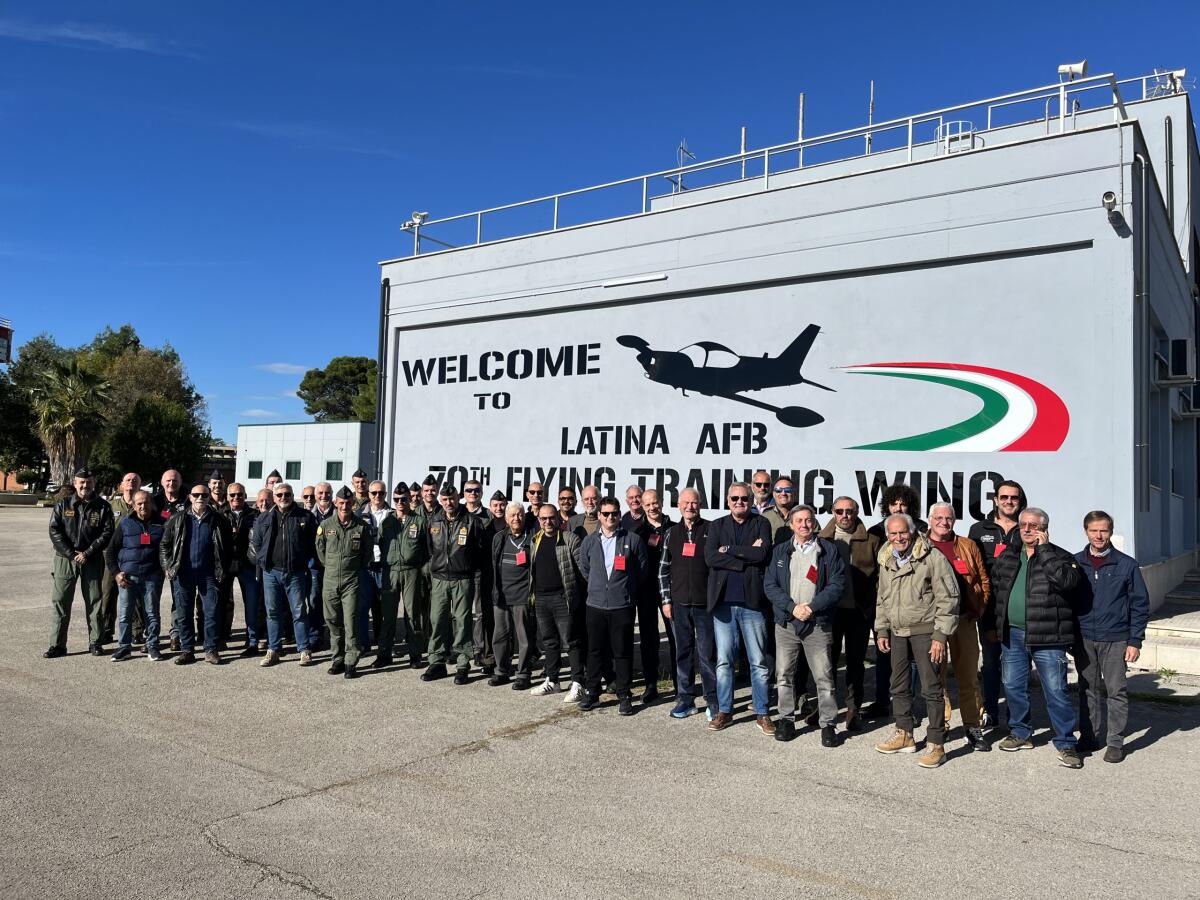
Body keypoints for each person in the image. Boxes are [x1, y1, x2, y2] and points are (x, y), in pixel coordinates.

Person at [982, 507, 1084, 768]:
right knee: (1014, 687)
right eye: (1023, 525)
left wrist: (1045, 551)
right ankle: (1020, 732)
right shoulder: (1009, 556)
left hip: (1048, 637)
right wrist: (995, 624)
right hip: (1012, 634)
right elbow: (997, 591)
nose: (1027, 529)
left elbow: (1069, 583)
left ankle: (1066, 743)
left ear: (1044, 529)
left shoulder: (1060, 556)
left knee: (1056, 691)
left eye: (1033, 526)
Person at [873, 514, 960, 768]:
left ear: (912, 532)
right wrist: (881, 630)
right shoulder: (886, 558)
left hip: (925, 632)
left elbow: (948, 599)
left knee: (931, 688)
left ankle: (936, 744)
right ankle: (905, 734)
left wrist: (940, 636)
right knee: (898, 685)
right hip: (897, 632)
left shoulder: (932, 557)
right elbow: (882, 597)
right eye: (893, 534)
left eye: (902, 533)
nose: (898, 538)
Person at [764, 505, 846, 745]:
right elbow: (770, 585)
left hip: (817, 623)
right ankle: (786, 719)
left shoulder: (828, 551)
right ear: (791, 525)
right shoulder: (780, 551)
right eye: (798, 521)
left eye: (808, 520)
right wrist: (792, 608)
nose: (804, 525)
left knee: (824, 676)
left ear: (814, 523)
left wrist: (812, 607)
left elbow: (837, 585)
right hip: (787, 623)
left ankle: (828, 724)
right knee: (783, 674)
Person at [1074, 511, 1148, 763]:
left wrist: (1134, 640)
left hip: (1116, 638)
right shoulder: (1075, 563)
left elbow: (1140, 604)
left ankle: (1115, 742)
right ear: (1086, 531)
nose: (1099, 535)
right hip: (1084, 637)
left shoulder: (1127, 565)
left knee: (1116, 691)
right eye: (1094, 530)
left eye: (1103, 530)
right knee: (1087, 689)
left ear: (1110, 531)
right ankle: (1089, 737)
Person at [705, 482, 773, 734]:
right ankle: (725, 711)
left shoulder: (761, 523)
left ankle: (762, 712)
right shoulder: (717, 525)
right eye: (734, 498)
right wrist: (744, 557)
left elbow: (763, 555)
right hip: (723, 604)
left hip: (752, 604)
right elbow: (710, 557)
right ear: (727, 500)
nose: (739, 502)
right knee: (724, 661)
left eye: (744, 498)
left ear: (751, 500)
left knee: (758, 662)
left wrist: (730, 551)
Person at [925, 502, 991, 752]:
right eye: (939, 517)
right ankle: (940, 723)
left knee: (969, 676)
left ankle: (973, 727)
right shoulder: (920, 546)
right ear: (930, 520)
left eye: (948, 517)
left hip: (963, 619)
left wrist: (978, 608)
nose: (944, 522)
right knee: (935, 676)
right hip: (933, 623)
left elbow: (983, 579)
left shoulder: (967, 545)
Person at [579, 497, 648, 715]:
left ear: (619, 515)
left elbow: (642, 570)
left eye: (614, 513)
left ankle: (624, 694)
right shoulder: (590, 541)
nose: (611, 517)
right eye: (606, 513)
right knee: (595, 651)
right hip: (596, 605)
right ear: (599, 515)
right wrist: (600, 587)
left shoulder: (633, 540)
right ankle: (592, 692)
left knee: (623, 651)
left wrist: (625, 589)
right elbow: (585, 568)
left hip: (622, 605)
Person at [818, 496, 880, 732]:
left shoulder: (871, 539)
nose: (845, 516)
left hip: (859, 612)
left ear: (856, 512)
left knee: (855, 664)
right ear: (833, 512)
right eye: (840, 511)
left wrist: (872, 606)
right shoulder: (823, 540)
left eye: (849, 511)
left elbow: (879, 577)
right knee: (828, 663)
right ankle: (826, 707)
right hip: (830, 613)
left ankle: (853, 709)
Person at [968, 480, 1025, 729]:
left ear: (1020, 500)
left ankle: (1017, 718)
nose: (1009, 502)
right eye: (1004, 497)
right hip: (989, 608)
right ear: (996, 500)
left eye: (1014, 497)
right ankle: (990, 712)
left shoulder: (1027, 528)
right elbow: (971, 567)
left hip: (1017, 607)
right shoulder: (979, 529)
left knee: (1017, 666)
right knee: (991, 662)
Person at [866, 482, 926, 719]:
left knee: (910, 658)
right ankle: (882, 701)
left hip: (912, 604)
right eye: (894, 503)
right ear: (886, 506)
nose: (899, 507)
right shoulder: (876, 532)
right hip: (884, 603)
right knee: (883, 654)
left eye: (903, 503)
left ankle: (907, 706)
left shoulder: (921, 530)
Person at [44, 468, 115, 658]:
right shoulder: (63, 504)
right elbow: (54, 530)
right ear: (75, 483)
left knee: (94, 601)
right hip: (65, 559)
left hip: (91, 559)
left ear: (94, 482)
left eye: (89, 481)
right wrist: (71, 553)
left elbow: (107, 532)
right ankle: (57, 645)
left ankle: (96, 642)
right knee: (60, 600)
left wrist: (89, 552)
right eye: (81, 482)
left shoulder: (103, 507)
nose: (85, 485)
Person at [160, 483, 233, 666]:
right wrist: (168, 567)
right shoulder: (177, 519)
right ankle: (187, 650)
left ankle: (210, 649)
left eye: (204, 495)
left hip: (209, 574)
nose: (200, 498)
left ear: (209, 498)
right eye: (196, 495)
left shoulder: (219, 519)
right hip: (183, 574)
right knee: (184, 613)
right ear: (190, 497)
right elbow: (164, 545)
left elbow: (228, 547)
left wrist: (222, 568)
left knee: (211, 612)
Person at [659, 488, 715, 719]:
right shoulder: (671, 533)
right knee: (682, 652)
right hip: (679, 605)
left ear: (700, 505)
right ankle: (686, 699)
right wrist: (666, 600)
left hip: (705, 605)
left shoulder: (712, 530)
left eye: (694, 503)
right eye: (686, 503)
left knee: (708, 654)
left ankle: (713, 701)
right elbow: (662, 570)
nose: (690, 507)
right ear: (679, 506)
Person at [422, 483, 486, 684]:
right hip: (440, 579)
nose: (449, 503)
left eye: (452, 499)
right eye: (445, 499)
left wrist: (470, 571)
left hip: (462, 579)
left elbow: (479, 550)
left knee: (462, 623)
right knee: (438, 621)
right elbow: (429, 549)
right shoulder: (434, 520)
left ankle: (462, 665)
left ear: (458, 499)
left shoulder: (472, 522)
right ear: (440, 501)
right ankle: (437, 662)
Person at [251, 482, 318, 668]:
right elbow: (256, 543)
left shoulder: (305, 516)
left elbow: (314, 544)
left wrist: (305, 561)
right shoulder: (264, 518)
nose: (283, 498)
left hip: (295, 572)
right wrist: (265, 562)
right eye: (279, 495)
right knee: (272, 612)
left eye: (286, 494)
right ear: (274, 497)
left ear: (292, 495)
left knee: (299, 612)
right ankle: (273, 649)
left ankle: (304, 650)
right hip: (271, 573)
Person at [529, 502, 585, 699]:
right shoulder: (535, 540)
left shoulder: (570, 539)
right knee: (549, 642)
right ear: (539, 520)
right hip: (541, 598)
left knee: (571, 641)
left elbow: (582, 570)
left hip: (563, 598)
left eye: (551, 517)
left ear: (559, 519)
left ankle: (578, 682)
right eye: (543, 518)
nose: (547, 522)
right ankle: (552, 681)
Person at [317, 486, 374, 679]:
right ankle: (338, 658)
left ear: (353, 504)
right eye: (341, 503)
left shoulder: (361, 527)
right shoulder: (325, 526)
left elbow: (367, 554)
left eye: (348, 503)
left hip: (352, 580)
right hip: (331, 579)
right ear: (335, 503)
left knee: (350, 621)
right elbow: (321, 552)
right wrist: (333, 567)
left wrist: (353, 568)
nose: (344, 506)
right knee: (332, 620)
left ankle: (351, 661)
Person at [106, 489, 165, 661]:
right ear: (133, 505)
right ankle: (124, 648)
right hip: (128, 578)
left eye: (146, 502)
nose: (143, 506)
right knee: (125, 614)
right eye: (139, 503)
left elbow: (167, 549)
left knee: (152, 613)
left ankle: (153, 646)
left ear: (152, 504)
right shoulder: (124, 523)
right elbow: (111, 552)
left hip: (152, 577)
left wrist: (163, 570)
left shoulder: (162, 523)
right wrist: (116, 573)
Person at [379, 483, 429, 668]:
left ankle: (415, 654)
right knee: (388, 616)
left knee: (412, 614)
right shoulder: (387, 522)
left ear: (410, 499)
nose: (400, 503)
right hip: (390, 571)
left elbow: (427, 550)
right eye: (396, 500)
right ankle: (384, 654)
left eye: (404, 499)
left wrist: (423, 571)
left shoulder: (419, 521)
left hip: (411, 571)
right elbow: (381, 542)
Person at [632, 488, 674, 702]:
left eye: (655, 503)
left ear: (662, 502)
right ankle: (651, 685)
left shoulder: (675, 529)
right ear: (642, 506)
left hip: (670, 591)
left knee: (675, 637)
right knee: (649, 639)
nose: (652, 507)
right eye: (647, 504)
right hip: (646, 591)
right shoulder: (638, 533)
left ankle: (679, 683)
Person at [490, 502, 537, 689]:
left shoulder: (532, 537)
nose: (516, 518)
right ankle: (501, 671)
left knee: (524, 638)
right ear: (507, 519)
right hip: (501, 596)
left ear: (524, 517)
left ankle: (523, 674)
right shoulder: (499, 537)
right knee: (500, 636)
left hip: (522, 595)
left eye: (519, 515)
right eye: (512, 515)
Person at [100, 472, 142, 645]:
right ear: (122, 485)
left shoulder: (143, 505)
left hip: (134, 558)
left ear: (139, 485)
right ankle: (106, 631)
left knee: (136, 597)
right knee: (108, 594)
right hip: (112, 558)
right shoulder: (110, 506)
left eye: (135, 480)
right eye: (128, 480)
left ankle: (136, 631)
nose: (131, 483)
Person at [225, 483, 263, 657]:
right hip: (227, 564)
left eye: (239, 494)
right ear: (227, 497)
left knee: (252, 604)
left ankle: (253, 640)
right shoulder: (220, 515)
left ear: (245, 495)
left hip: (248, 565)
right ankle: (220, 637)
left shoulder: (255, 516)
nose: (236, 498)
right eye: (232, 495)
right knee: (221, 603)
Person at [463, 479, 496, 676]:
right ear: (464, 493)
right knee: (461, 613)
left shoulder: (488, 516)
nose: (473, 493)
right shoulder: (458, 513)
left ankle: (479, 650)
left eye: (476, 490)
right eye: (469, 490)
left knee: (480, 614)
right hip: (460, 571)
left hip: (480, 571)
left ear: (481, 493)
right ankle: (462, 649)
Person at [358, 480, 392, 653]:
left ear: (386, 494)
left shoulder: (393, 514)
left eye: (381, 493)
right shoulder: (358, 515)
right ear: (368, 495)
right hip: (366, 568)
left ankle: (382, 641)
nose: (378, 496)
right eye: (374, 493)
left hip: (385, 567)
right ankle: (364, 643)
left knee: (383, 608)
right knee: (363, 607)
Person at [761, 477, 796, 544]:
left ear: (794, 494)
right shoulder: (764, 518)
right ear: (774, 494)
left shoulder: (805, 517)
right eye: (778, 490)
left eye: (787, 490)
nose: (783, 493)